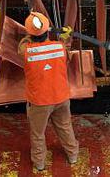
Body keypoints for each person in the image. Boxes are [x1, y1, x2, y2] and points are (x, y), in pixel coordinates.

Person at [18, 11, 79, 171]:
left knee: (38, 134)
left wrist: (30, 34)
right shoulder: (60, 47)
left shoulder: (27, 51)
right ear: (47, 31)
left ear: (30, 34)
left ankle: (39, 163)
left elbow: (21, 46)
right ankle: (73, 156)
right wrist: (65, 36)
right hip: (61, 97)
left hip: (39, 102)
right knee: (65, 126)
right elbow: (65, 47)